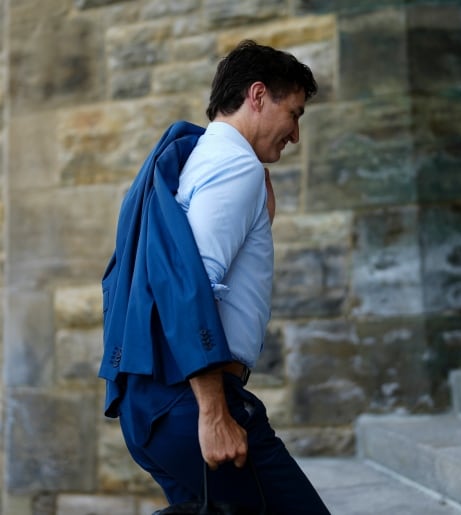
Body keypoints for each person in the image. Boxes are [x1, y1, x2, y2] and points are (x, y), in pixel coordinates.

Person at [99, 40, 330, 514]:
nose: (296, 134)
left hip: (155, 404)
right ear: (258, 95)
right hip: (189, 401)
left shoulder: (199, 157)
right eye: (296, 113)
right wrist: (213, 412)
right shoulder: (236, 165)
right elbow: (188, 287)